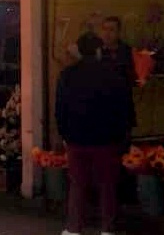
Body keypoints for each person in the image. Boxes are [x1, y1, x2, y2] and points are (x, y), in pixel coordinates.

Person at [56, 33, 136, 235]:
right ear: (99, 51)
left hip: (76, 138)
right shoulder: (114, 75)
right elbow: (124, 107)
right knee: (107, 185)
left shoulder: (67, 75)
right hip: (106, 139)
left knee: (78, 184)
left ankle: (74, 228)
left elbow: (60, 108)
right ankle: (107, 228)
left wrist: (64, 133)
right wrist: (123, 133)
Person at [98, 16, 136, 87]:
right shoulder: (96, 51)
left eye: (111, 30)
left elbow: (131, 79)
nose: (107, 33)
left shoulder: (127, 52)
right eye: (105, 29)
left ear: (118, 32)